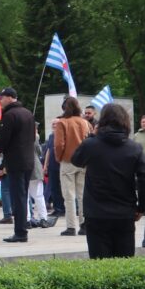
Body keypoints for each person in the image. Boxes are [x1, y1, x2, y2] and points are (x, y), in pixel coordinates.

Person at [71, 103, 145, 259]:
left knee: (100, 262)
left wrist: (92, 136)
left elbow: (76, 160)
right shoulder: (134, 148)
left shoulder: (91, 145)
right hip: (124, 211)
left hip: (96, 211)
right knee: (124, 262)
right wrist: (142, 207)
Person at [0, 87, 35, 243]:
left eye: (1, 97)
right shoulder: (28, 113)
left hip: (16, 161)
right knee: (22, 196)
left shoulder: (10, 115)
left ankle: (20, 232)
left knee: (17, 197)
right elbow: (32, 137)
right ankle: (22, 229)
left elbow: (4, 139)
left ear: (10, 97)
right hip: (28, 160)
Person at [53, 96, 92, 236]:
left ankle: (71, 226)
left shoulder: (62, 123)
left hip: (68, 161)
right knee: (82, 195)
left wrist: (59, 158)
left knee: (68, 195)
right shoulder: (85, 122)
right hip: (84, 162)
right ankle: (84, 224)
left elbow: (59, 144)